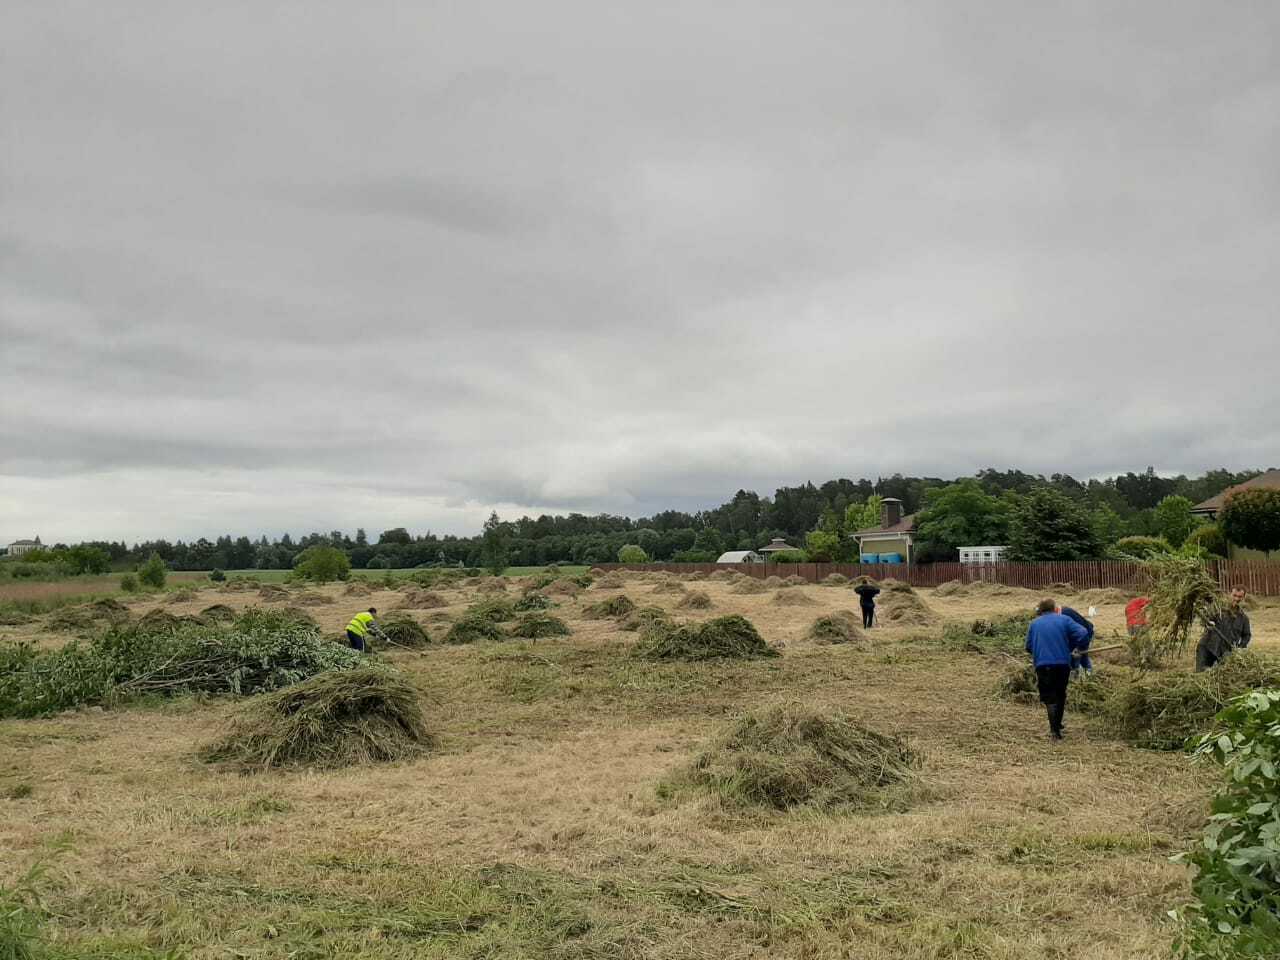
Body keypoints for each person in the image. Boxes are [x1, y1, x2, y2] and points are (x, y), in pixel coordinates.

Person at [1025, 597, 1091, 740]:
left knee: (1049, 697)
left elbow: (1028, 646)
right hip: (1062, 663)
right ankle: (1058, 726)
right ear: (1054, 608)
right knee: (1060, 694)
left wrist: (1039, 652)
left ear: (1040, 611)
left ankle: (1054, 731)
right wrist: (1076, 647)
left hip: (1043, 665)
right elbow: (1083, 632)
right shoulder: (1064, 620)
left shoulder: (1034, 624)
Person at [1195, 586, 1252, 672]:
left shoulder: (1244, 618)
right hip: (1208, 646)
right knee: (1201, 674)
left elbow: (1247, 635)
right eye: (1234, 595)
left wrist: (1240, 647)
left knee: (1222, 677)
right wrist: (1208, 623)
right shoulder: (1218, 609)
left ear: (1244, 598)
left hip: (1226, 652)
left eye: (1240, 597)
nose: (1236, 599)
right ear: (1230, 595)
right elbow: (1206, 619)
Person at [1058, 604, 1095, 679]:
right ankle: (1077, 675)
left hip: (1085, 634)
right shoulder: (1058, 615)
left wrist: (1077, 648)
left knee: (1078, 656)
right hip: (1076, 635)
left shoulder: (1065, 614)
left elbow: (1082, 633)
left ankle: (1086, 676)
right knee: (1073, 657)